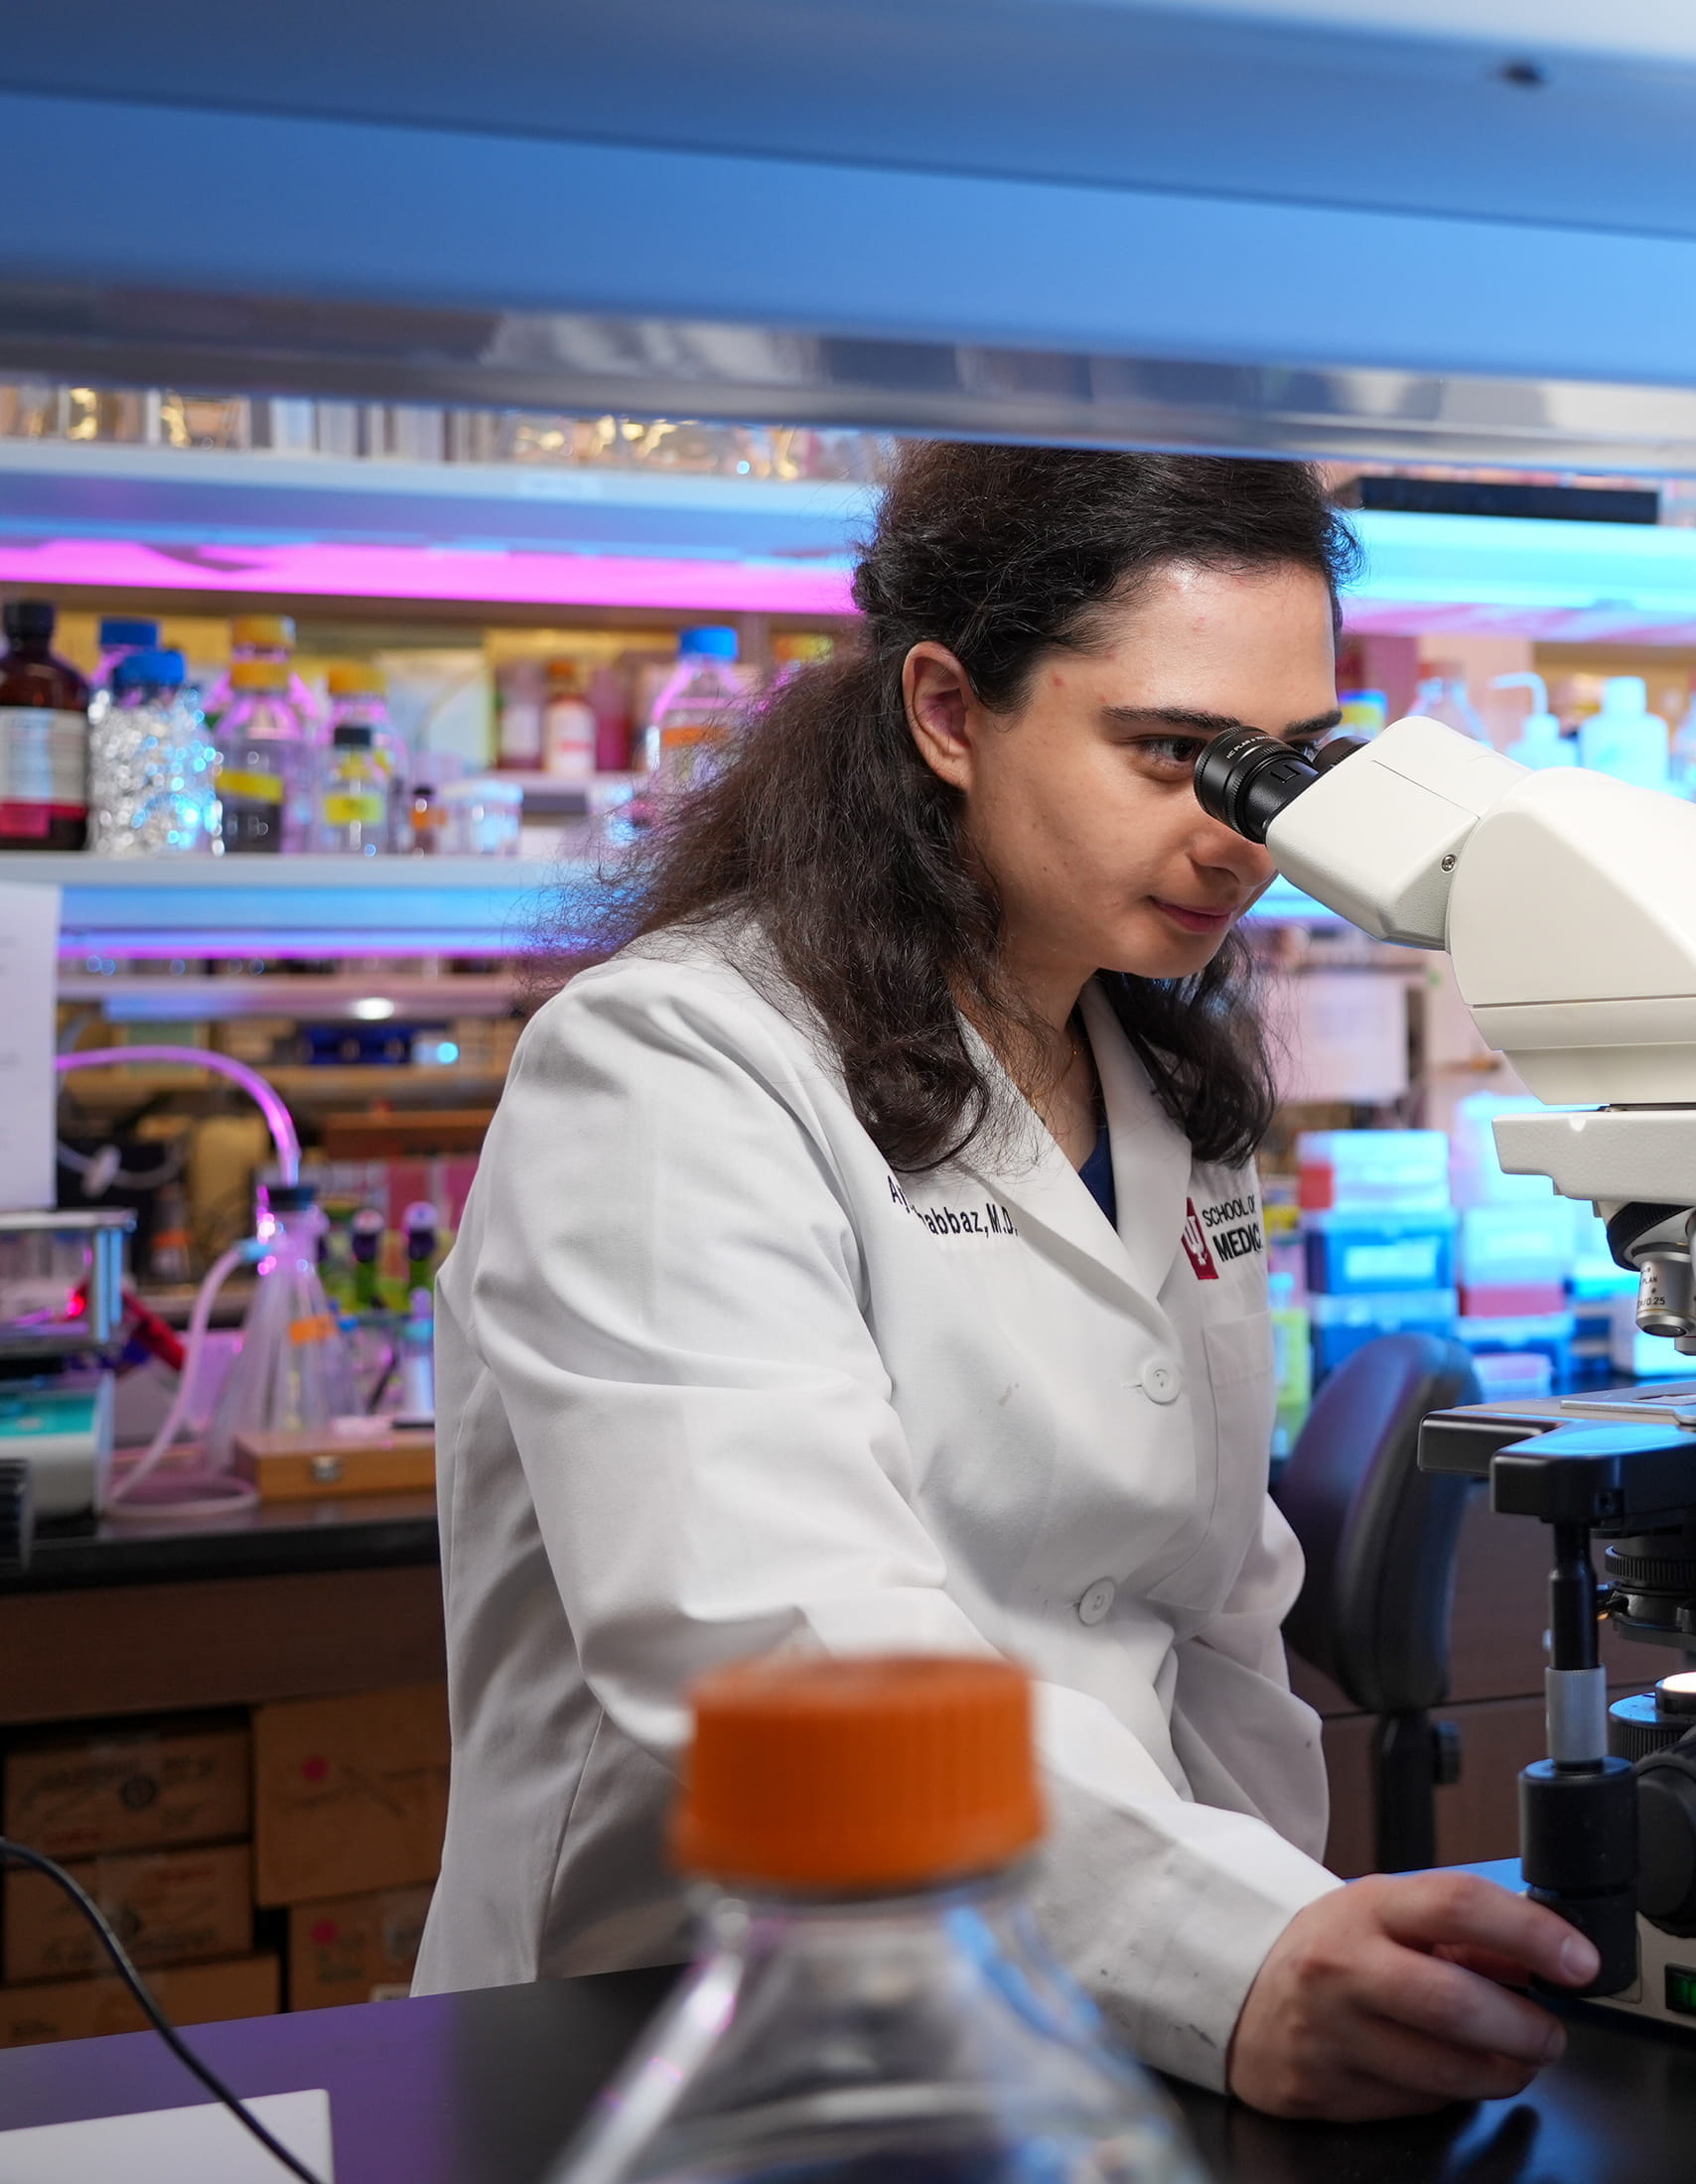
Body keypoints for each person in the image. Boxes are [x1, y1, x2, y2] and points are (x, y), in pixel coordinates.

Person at [416, 443, 1593, 2119]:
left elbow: (1213, 1606)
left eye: (1280, 765)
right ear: (951, 712)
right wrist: (1224, 1955)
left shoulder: (1153, 1077)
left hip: (1098, 2021)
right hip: (693, 2031)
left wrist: (1278, 1944)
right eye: (1173, 751)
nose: (1238, 832)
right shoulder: (671, 1063)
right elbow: (788, 1645)